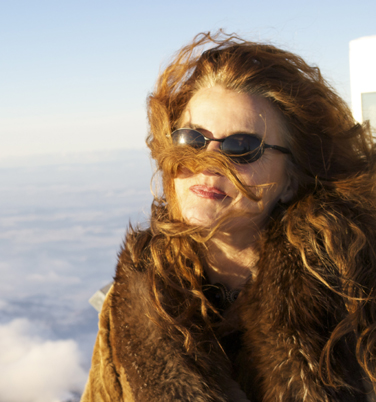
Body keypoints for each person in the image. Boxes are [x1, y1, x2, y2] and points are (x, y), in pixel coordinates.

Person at [81, 32, 376, 402]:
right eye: (192, 139)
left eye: (241, 147)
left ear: (291, 180)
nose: (208, 162)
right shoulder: (133, 301)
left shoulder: (354, 296)